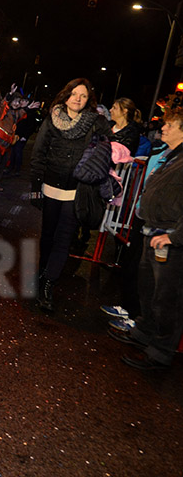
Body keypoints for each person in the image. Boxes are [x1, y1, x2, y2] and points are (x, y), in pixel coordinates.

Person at [110, 107, 183, 370]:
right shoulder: (172, 156)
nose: (162, 128)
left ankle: (160, 353)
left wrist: (174, 238)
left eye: (170, 126)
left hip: (170, 239)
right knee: (149, 289)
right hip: (153, 233)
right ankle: (144, 334)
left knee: (167, 299)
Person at [29, 78, 110, 312]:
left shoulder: (96, 123)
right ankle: (43, 271)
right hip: (50, 188)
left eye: (83, 96)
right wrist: (35, 189)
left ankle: (47, 284)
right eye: (74, 94)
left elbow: (111, 146)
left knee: (64, 238)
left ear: (89, 100)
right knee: (47, 236)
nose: (78, 99)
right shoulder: (51, 120)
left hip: (77, 192)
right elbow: (39, 155)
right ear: (66, 95)